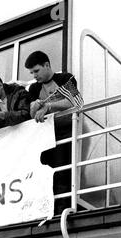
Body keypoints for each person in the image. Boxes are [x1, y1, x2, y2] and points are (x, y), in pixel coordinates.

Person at [25, 51, 79, 214]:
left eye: (36, 71)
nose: (34, 75)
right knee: (46, 172)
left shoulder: (65, 78)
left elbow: (73, 101)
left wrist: (49, 106)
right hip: (45, 135)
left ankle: (62, 208)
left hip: (66, 131)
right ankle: (46, 208)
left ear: (47, 65)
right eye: (32, 73)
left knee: (63, 171)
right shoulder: (34, 88)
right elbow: (30, 113)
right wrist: (33, 108)